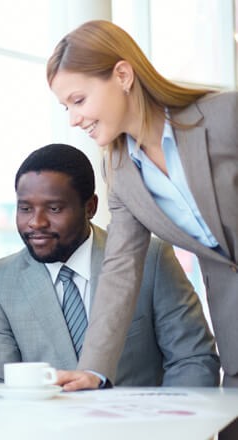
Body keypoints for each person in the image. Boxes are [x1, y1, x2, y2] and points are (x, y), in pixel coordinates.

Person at [47, 19, 238, 393]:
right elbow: (120, 269)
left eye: (79, 100)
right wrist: (93, 369)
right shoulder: (121, 173)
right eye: (65, 106)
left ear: (122, 75)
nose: (73, 119)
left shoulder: (225, 116)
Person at [0, 143, 220, 386]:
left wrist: (168, 415)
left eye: (54, 208)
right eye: (25, 208)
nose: (36, 222)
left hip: (138, 414)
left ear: (90, 207)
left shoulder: (150, 259)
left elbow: (192, 360)